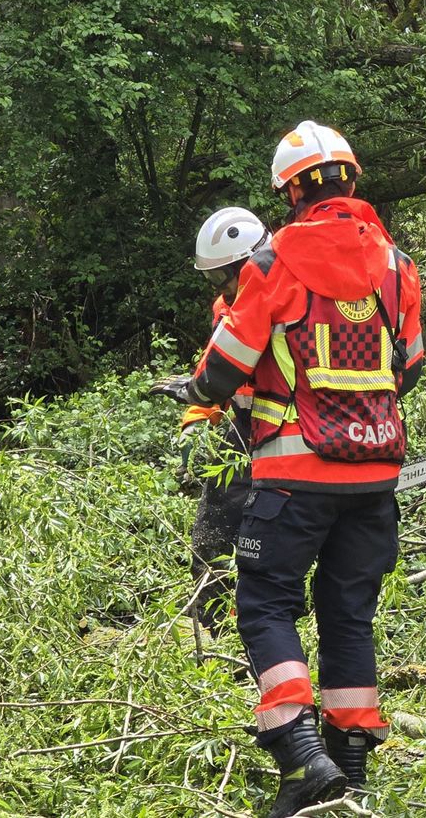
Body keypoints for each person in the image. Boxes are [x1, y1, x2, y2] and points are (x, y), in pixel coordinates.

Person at [153, 120, 424, 817]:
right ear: (352, 180)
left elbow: (226, 366)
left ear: (292, 189)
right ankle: (352, 764)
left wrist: (198, 393)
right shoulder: (397, 264)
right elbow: (412, 364)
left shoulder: (273, 262)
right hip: (376, 475)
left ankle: (301, 756)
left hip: (294, 474)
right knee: (348, 614)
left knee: (266, 601)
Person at [177, 207, 268, 634]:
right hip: (243, 426)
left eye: (225, 277)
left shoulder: (288, 295)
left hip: (291, 429)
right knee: (214, 532)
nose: (222, 289)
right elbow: (217, 368)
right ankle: (212, 631)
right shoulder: (225, 306)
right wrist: (197, 417)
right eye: (213, 280)